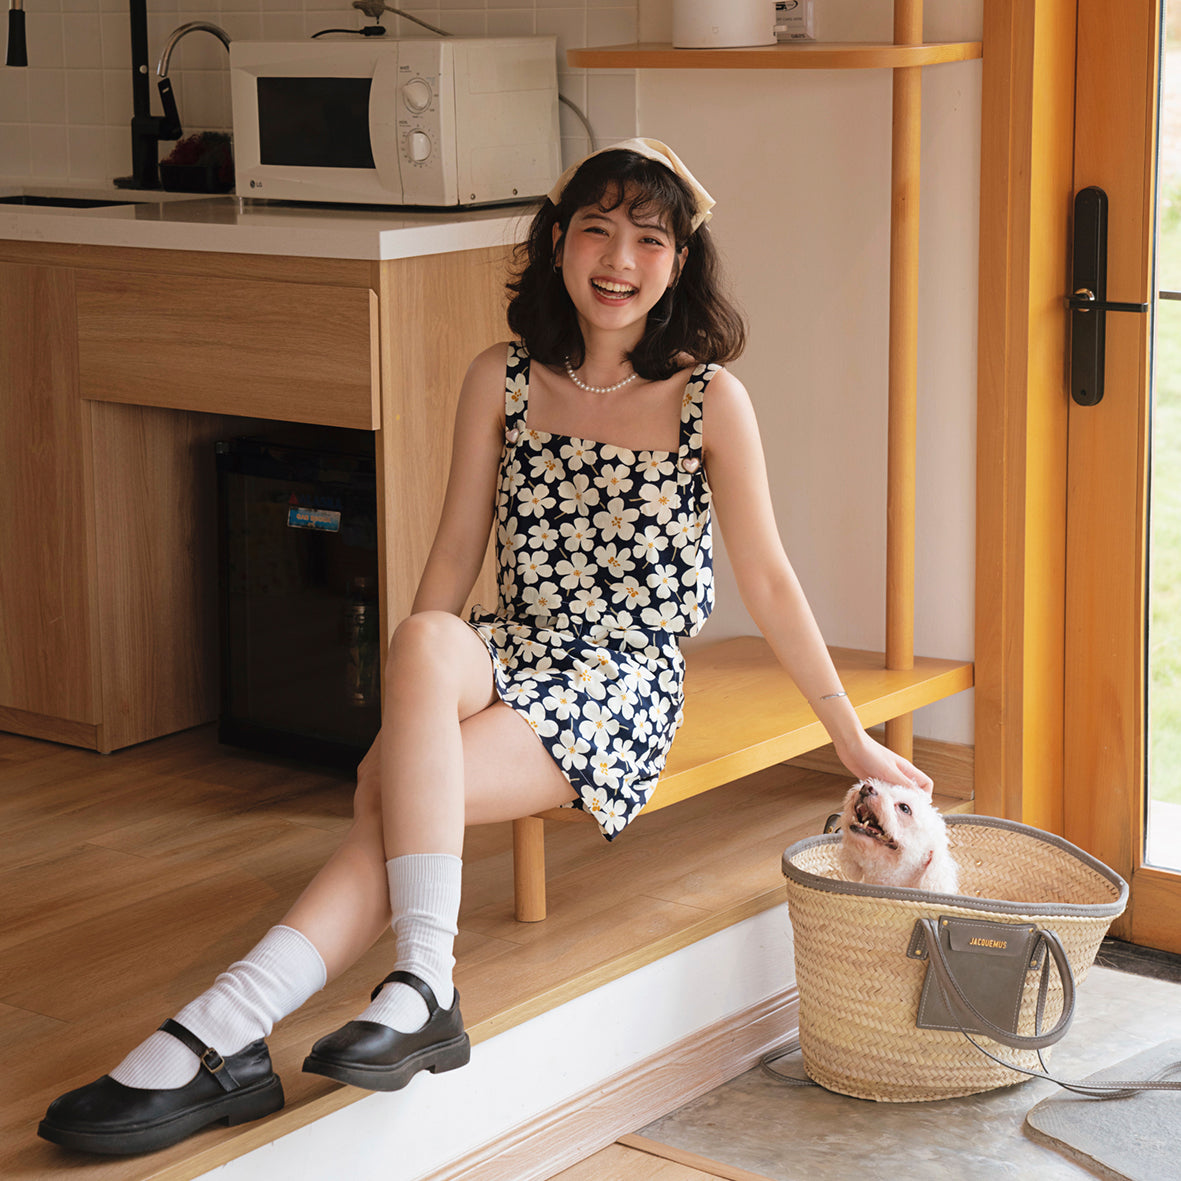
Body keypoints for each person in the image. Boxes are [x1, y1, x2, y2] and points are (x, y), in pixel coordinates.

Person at [38, 138, 932, 1156]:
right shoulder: (499, 377)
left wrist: (849, 738)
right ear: (557, 241)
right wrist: (403, 721)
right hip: (509, 644)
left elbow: (768, 581)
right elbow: (455, 547)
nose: (617, 258)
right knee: (422, 639)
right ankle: (417, 982)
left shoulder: (707, 401)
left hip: (619, 681)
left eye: (648, 237)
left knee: (396, 798)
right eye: (595, 227)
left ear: (678, 264)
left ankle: (230, 1023)